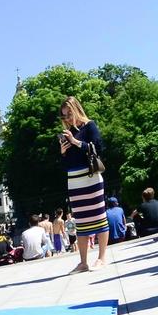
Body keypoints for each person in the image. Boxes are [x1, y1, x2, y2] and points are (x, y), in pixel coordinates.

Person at [58, 97, 111, 273]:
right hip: (74, 179)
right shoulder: (68, 131)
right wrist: (63, 152)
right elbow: (65, 164)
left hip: (91, 176)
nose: (66, 119)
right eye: (64, 116)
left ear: (76, 110)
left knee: (98, 216)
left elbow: (98, 148)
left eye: (69, 114)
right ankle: (83, 262)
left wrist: (75, 142)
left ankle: (101, 257)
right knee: (80, 220)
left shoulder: (89, 126)